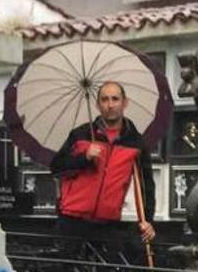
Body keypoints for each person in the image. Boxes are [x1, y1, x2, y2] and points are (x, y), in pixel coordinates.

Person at [49, 81, 156, 259]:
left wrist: (148, 220)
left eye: (115, 99)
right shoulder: (80, 135)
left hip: (107, 223)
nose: (110, 104)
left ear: (124, 103)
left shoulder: (135, 143)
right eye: (105, 100)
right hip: (72, 220)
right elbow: (57, 168)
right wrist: (84, 158)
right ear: (98, 105)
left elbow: (145, 185)